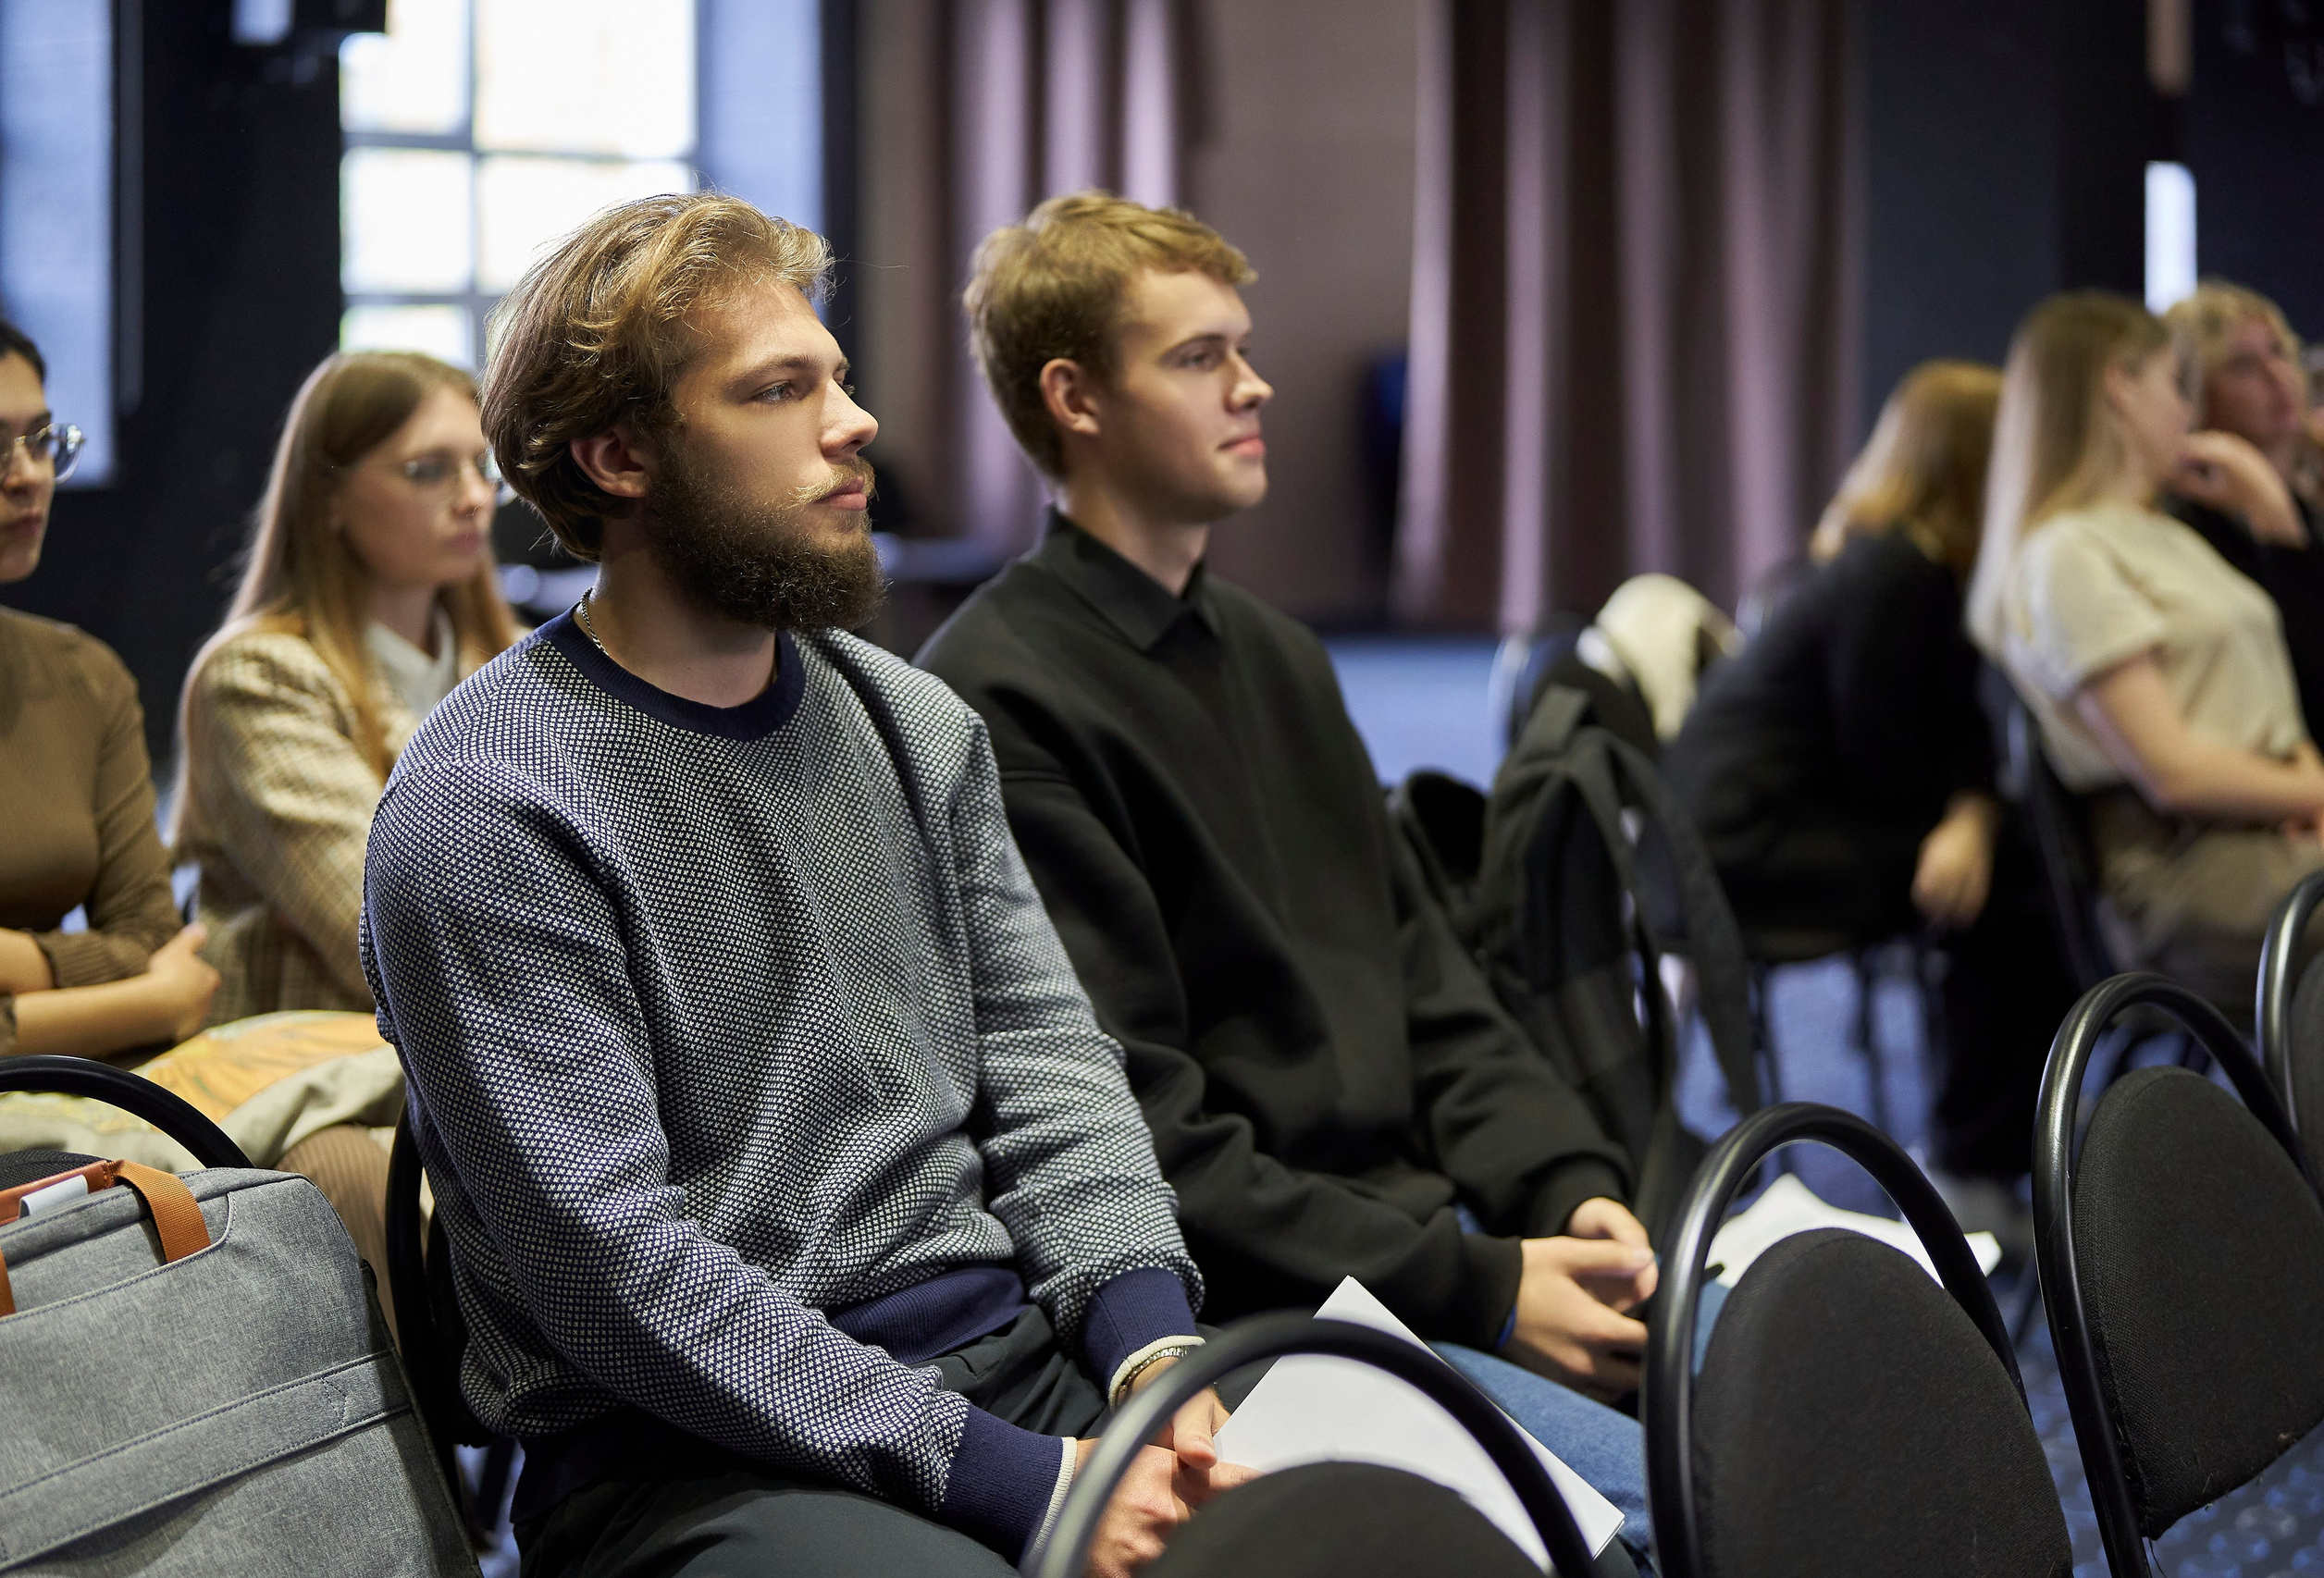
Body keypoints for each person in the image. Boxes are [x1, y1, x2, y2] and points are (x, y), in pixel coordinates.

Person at [361, 192, 1241, 1578]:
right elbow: (617, 1278)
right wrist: (1016, 1482)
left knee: (1425, 1528)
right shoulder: (492, 803)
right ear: (620, 455)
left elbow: (1049, 1063)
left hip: (1016, 1367)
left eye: (834, 375)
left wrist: (1148, 1347)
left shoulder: (910, 721)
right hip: (693, 1455)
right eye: (780, 389)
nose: (856, 421)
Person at [920, 192, 1665, 1560]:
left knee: (1815, 1388)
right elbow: (1143, 1142)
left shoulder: (1280, 653)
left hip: (1430, 1249)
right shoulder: (997, 701)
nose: (1254, 382)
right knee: (1669, 1510)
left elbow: (1433, 985)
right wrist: (1484, 1283)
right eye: (1200, 356)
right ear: (1074, 397)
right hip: (1278, 1305)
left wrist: (1566, 1189)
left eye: (1241, 348)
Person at [1665, 361, 2079, 1185]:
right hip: (1744, 852)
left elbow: (1938, 741)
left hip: (1778, 823)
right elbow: (1886, 760)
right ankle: (1977, 1166)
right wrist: (1972, 817)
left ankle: (1993, 1142)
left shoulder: (1909, 566)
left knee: (2020, 861)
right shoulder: (1894, 576)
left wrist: (1973, 811)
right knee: (2018, 896)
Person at [1969, 290, 2324, 1013]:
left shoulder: (2163, 532)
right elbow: (2174, 774)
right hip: (2194, 871)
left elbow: (2278, 706)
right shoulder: (2066, 552)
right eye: (2173, 384)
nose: (2186, 412)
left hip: (2270, 836)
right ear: (2117, 386)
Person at [175, 351, 519, 1027]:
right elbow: (384, 935)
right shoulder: (259, 677)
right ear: (328, 496)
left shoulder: (514, 661)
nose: (474, 498)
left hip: (480, 1048)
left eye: (481, 469)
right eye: (428, 471)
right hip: (318, 1070)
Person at [0, 303, 219, 1064]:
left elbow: (152, 935)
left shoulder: (81, 677)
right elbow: (161, 981)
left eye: (41, 440)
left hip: (77, 1100)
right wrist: (141, 1003)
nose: (29, 475)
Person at [2162, 281, 2324, 728]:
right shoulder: (2184, 530)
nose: (2278, 375)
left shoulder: (2307, 501)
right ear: (2192, 392)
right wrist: (2278, 528)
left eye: (2277, 351)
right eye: (2243, 365)